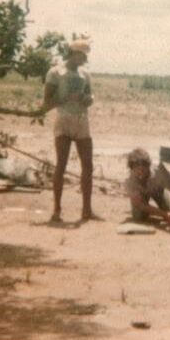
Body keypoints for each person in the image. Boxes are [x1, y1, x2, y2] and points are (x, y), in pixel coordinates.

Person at [41, 39, 98, 223]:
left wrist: (88, 99)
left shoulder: (85, 73)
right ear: (73, 53)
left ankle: (87, 210)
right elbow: (47, 101)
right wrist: (65, 98)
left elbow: (90, 95)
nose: (85, 58)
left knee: (88, 166)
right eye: (82, 54)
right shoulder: (55, 72)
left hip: (82, 120)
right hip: (64, 119)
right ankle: (57, 210)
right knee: (61, 165)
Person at [124, 148, 170, 226]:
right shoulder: (128, 180)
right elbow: (140, 204)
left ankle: (160, 211)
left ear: (148, 166)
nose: (140, 173)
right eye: (137, 170)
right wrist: (165, 215)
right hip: (141, 195)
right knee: (139, 217)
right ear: (132, 169)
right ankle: (156, 212)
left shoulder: (159, 170)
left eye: (143, 170)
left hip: (158, 190)